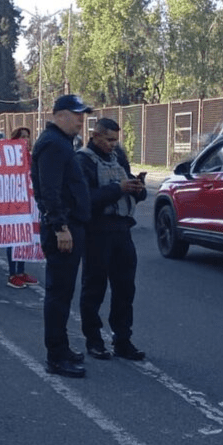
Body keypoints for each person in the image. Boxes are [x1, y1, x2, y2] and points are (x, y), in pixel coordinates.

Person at [31, 95, 94, 378]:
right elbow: (50, 191)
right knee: (58, 294)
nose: (81, 119)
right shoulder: (53, 145)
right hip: (63, 229)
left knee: (64, 293)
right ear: (59, 115)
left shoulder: (61, 142)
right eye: (76, 114)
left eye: (83, 114)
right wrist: (60, 227)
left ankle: (62, 347)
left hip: (70, 226)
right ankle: (56, 356)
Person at [76, 118, 147, 362]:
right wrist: (119, 189)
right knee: (94, 287)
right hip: (97, 232)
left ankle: (123, 340)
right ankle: (94, 340)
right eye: (108, 140)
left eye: (116, 140)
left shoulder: (118, 157)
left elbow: (132, 188)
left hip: (122, 230)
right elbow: (85, 199)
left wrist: (138, 188)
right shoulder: (82, 160)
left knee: (125, 288)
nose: (113, 145)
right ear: (95, 136)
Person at [6, 126, 40, 289]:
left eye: (28, 136)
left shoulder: (32, 158)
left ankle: (21, 272)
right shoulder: (9, 159)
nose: (26, 140)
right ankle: (12, 274)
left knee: (25, 237)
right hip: (13, 204)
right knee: (13, 238)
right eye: (22, 137)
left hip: (29, 203)